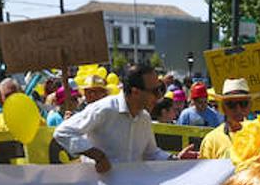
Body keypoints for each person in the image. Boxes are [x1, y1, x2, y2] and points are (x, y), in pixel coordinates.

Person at [54, 63, 197, 172]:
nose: (159, 97)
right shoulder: (104, 109)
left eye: (161, 90)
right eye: (154, 91)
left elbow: (151, 153)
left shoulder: (144, 118)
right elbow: (63, 132)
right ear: (135, 92)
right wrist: (97, 156)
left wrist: (176, 159)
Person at [197, 78, 257, 161]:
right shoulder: (211, 140)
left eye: (243, 103)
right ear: (223, 107)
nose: (238, 109)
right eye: (231, 104)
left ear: (250, 106)